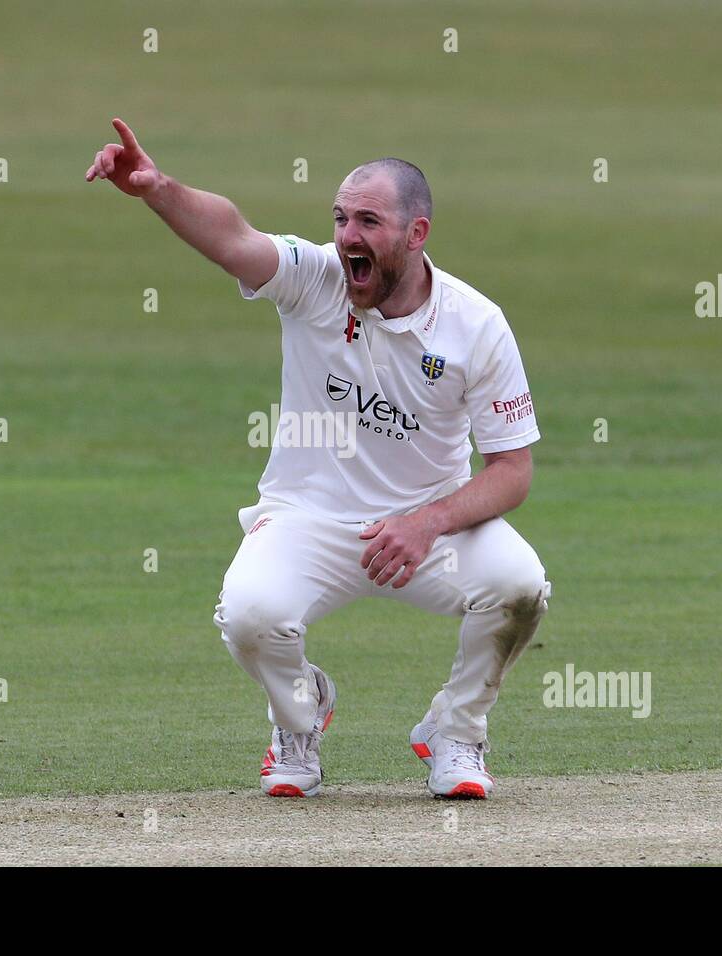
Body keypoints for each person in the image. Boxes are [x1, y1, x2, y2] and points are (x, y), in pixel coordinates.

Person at [87, 118, 550, 799]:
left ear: (416, 234)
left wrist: (427, 522)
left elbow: (513, 471)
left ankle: (456, 733)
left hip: (425, 529)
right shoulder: (315, 281)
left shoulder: (476, 325)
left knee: (521, 586)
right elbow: (233, 236)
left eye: (368, 220)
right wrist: (159, 190)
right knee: (248, 613)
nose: (347, 236)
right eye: (339, 218)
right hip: (308, 518)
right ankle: (299, 717)